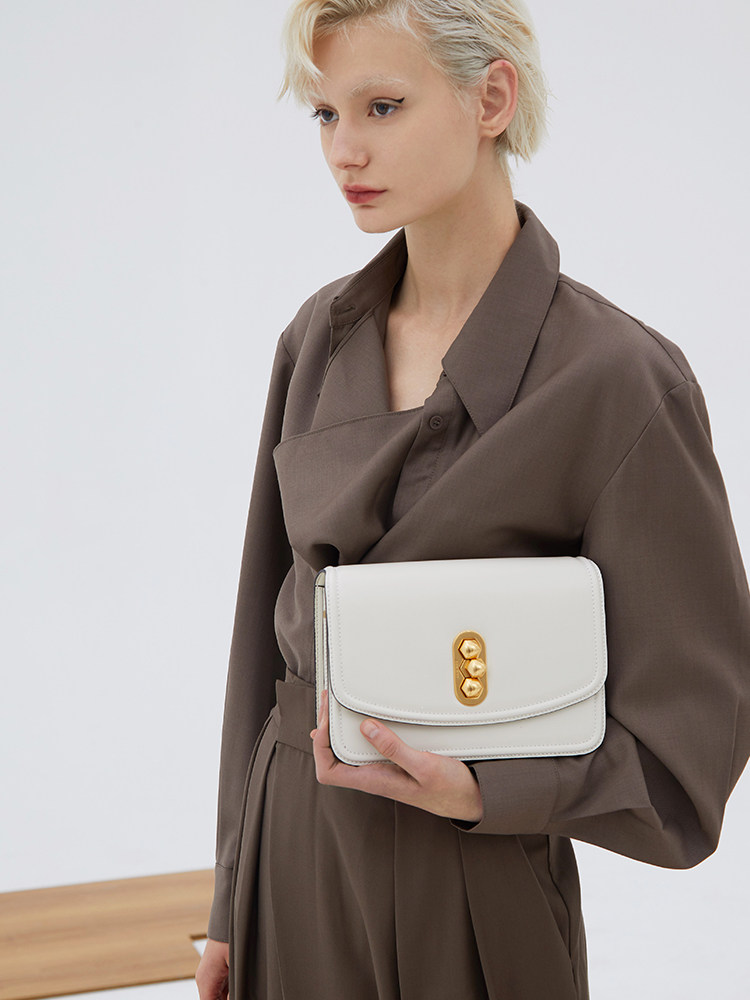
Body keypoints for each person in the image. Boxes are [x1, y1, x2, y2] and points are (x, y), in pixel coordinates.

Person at [195, 2, 750, 998]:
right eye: (325, 114)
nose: (344, 149)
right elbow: (258, 640)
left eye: (382, 106)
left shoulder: (620, 380)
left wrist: (489, 790)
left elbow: (693, 741)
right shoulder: (316, 339)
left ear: (492, 98)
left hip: (475, 881)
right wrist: (230, 900)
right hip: (295, 862)